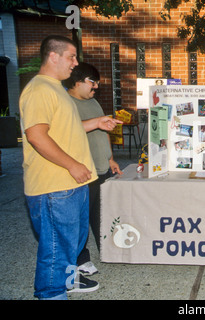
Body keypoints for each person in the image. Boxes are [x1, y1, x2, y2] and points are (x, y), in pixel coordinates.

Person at [19, 35, 121, 300]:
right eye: (71, 57)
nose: (75, 64)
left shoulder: (56, 89)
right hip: (54, 186)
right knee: (56, 249)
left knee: (71, 244)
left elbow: (69, 129)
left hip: (73, 185)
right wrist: (73, 165)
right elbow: (37, 136)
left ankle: (68, 282)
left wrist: (97, 123)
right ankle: (51, 294)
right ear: (53, 56)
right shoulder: (39, 89)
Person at [62, 62, 123, 276]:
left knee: (102, 214)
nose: (95, 87)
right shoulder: (65, 103)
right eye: (92, 82)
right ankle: (81, 259)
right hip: (83, 172)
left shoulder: (94, 103)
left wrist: (110, 158)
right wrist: (96, 122)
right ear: (77, 81)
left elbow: (103, 129)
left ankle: (108, 250)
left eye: (97, 83)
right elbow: (65, 131)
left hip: (102, 167)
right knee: (79, 220)